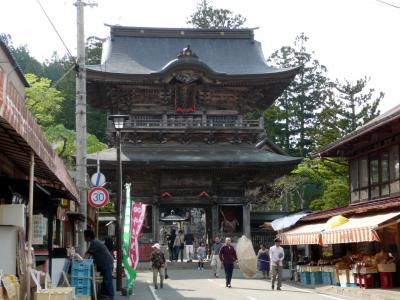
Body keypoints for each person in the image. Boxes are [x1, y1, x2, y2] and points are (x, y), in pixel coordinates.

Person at [84, 229, 114, 299]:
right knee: (105, 281)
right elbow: (88, 253)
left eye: (84, 236)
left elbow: (88, 254)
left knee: (107, 281)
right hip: (104, 263)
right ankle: (105, 296)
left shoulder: (94, 242)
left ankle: (110, 296)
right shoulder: (94, 242)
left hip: (106, 263)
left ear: (88, 237)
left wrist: (81, 261)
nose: (84, 238)